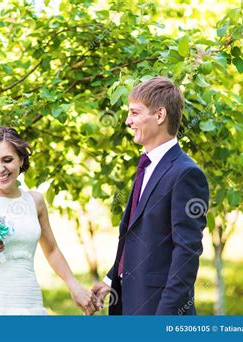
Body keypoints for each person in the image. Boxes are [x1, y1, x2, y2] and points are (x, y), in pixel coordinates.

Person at [92, 76, 210, 315]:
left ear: (159, 115)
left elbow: (186, 255)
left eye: (135, 113)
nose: (128, 121)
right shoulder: (148, 165)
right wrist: (110, 279)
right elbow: (141, 237)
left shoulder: (186, 174)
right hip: (130, 303)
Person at [0, 126, 97, 315]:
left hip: (30, 301)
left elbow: (51, 250)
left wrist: (74, 285)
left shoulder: (35, 201)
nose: (0, 169)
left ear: (21, 159)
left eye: (7, 160)